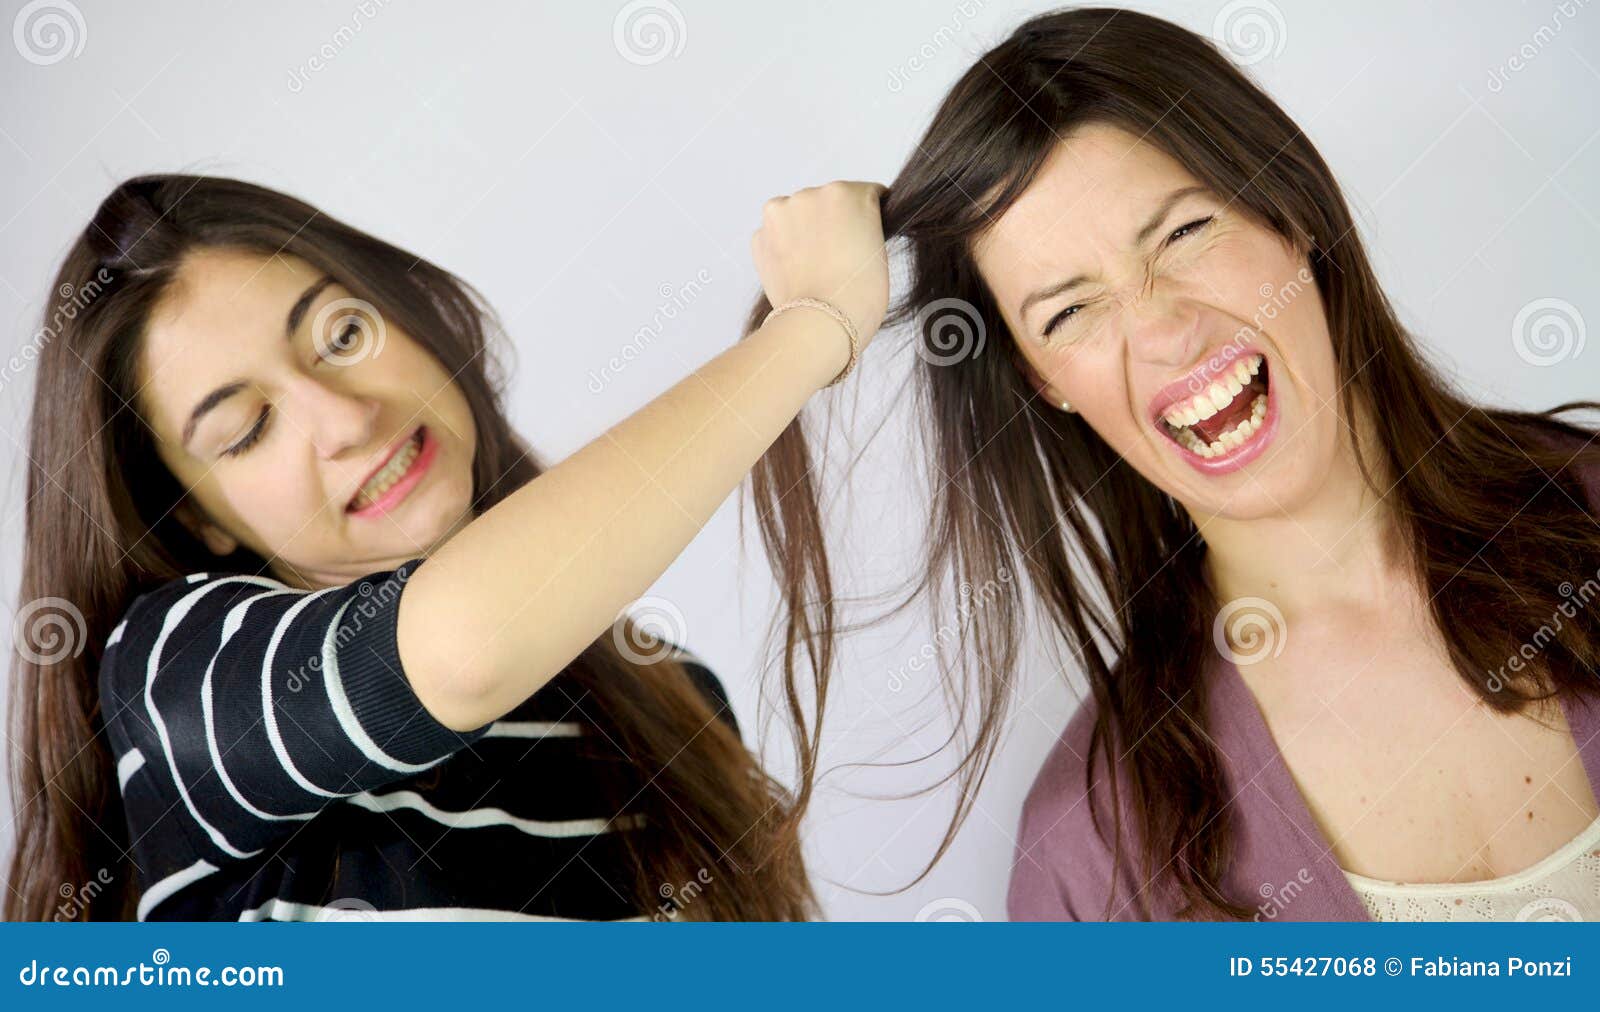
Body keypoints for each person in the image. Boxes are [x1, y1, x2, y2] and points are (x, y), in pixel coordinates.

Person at [747, 7, 1600, 920]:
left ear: (1289, 210)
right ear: (1045, 382)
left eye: (1183, 234)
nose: (1160, 330)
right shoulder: (1090, 853)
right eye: (1070, 312)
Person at [5, 172, 890, 920]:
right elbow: (462, 652)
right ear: (200, 519)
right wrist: (814, 324)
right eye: (248, 428)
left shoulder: (679, 698)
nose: (348, 419)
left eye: (343, 335)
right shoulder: (171, 676)